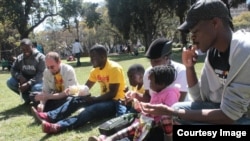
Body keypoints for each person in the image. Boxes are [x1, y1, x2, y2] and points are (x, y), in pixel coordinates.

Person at [141, 0, 250, 125]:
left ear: (215, 23)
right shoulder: (213, 54)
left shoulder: (245, 50)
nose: (192, 38)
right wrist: (189, 68)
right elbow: (199, 99)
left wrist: (173, 113)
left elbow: (229, 116)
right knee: (178, 109)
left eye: (195, 31)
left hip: (243, 116)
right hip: (229, 112)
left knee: (178, 114)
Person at [31, 45, 127, 134]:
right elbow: (85, 88)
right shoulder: (95, 70)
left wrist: (94, 99)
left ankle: (58, 126)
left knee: (89, 110)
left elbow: (112, 94)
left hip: (116, 102)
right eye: (91, 57)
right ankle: (49, 116)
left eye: (94, 57)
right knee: (76, 99)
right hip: (103, 99)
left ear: (103, 57)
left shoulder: (114, 68)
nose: (91, 60)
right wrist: (76, 91)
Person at [88, 65, 180, 141]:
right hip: (146, 121)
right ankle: (107, 138)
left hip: (155, 126)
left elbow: (167, 113)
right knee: (128, 130)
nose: (149, 84)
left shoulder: (170, 93)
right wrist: (140, 106)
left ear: (162, 83)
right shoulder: (157, 92)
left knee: (132, 134)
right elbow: (150, 109)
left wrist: (147, 110)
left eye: (151, 81)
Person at [126, 38, 188, 104]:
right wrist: (135, 95)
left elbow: (179, 102)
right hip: (155, 112)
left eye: (156, 61)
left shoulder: (180, 71)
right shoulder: (148, 72)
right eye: (151, 61)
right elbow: (149, 97)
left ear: (166, 58)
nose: (153, 64)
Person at [6, 38, 45, 104]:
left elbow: (41, 73)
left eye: (27, 48)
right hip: (24, 80)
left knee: (36, 88)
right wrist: (19, 76)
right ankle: (27, 98)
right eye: (23, 49)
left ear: (32, 46)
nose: (26, 51)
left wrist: (29, 83)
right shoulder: (19, 58)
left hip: (38, 81)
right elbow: (13, 69)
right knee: (10, 82)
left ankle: (36, 100)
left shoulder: (41, 57)